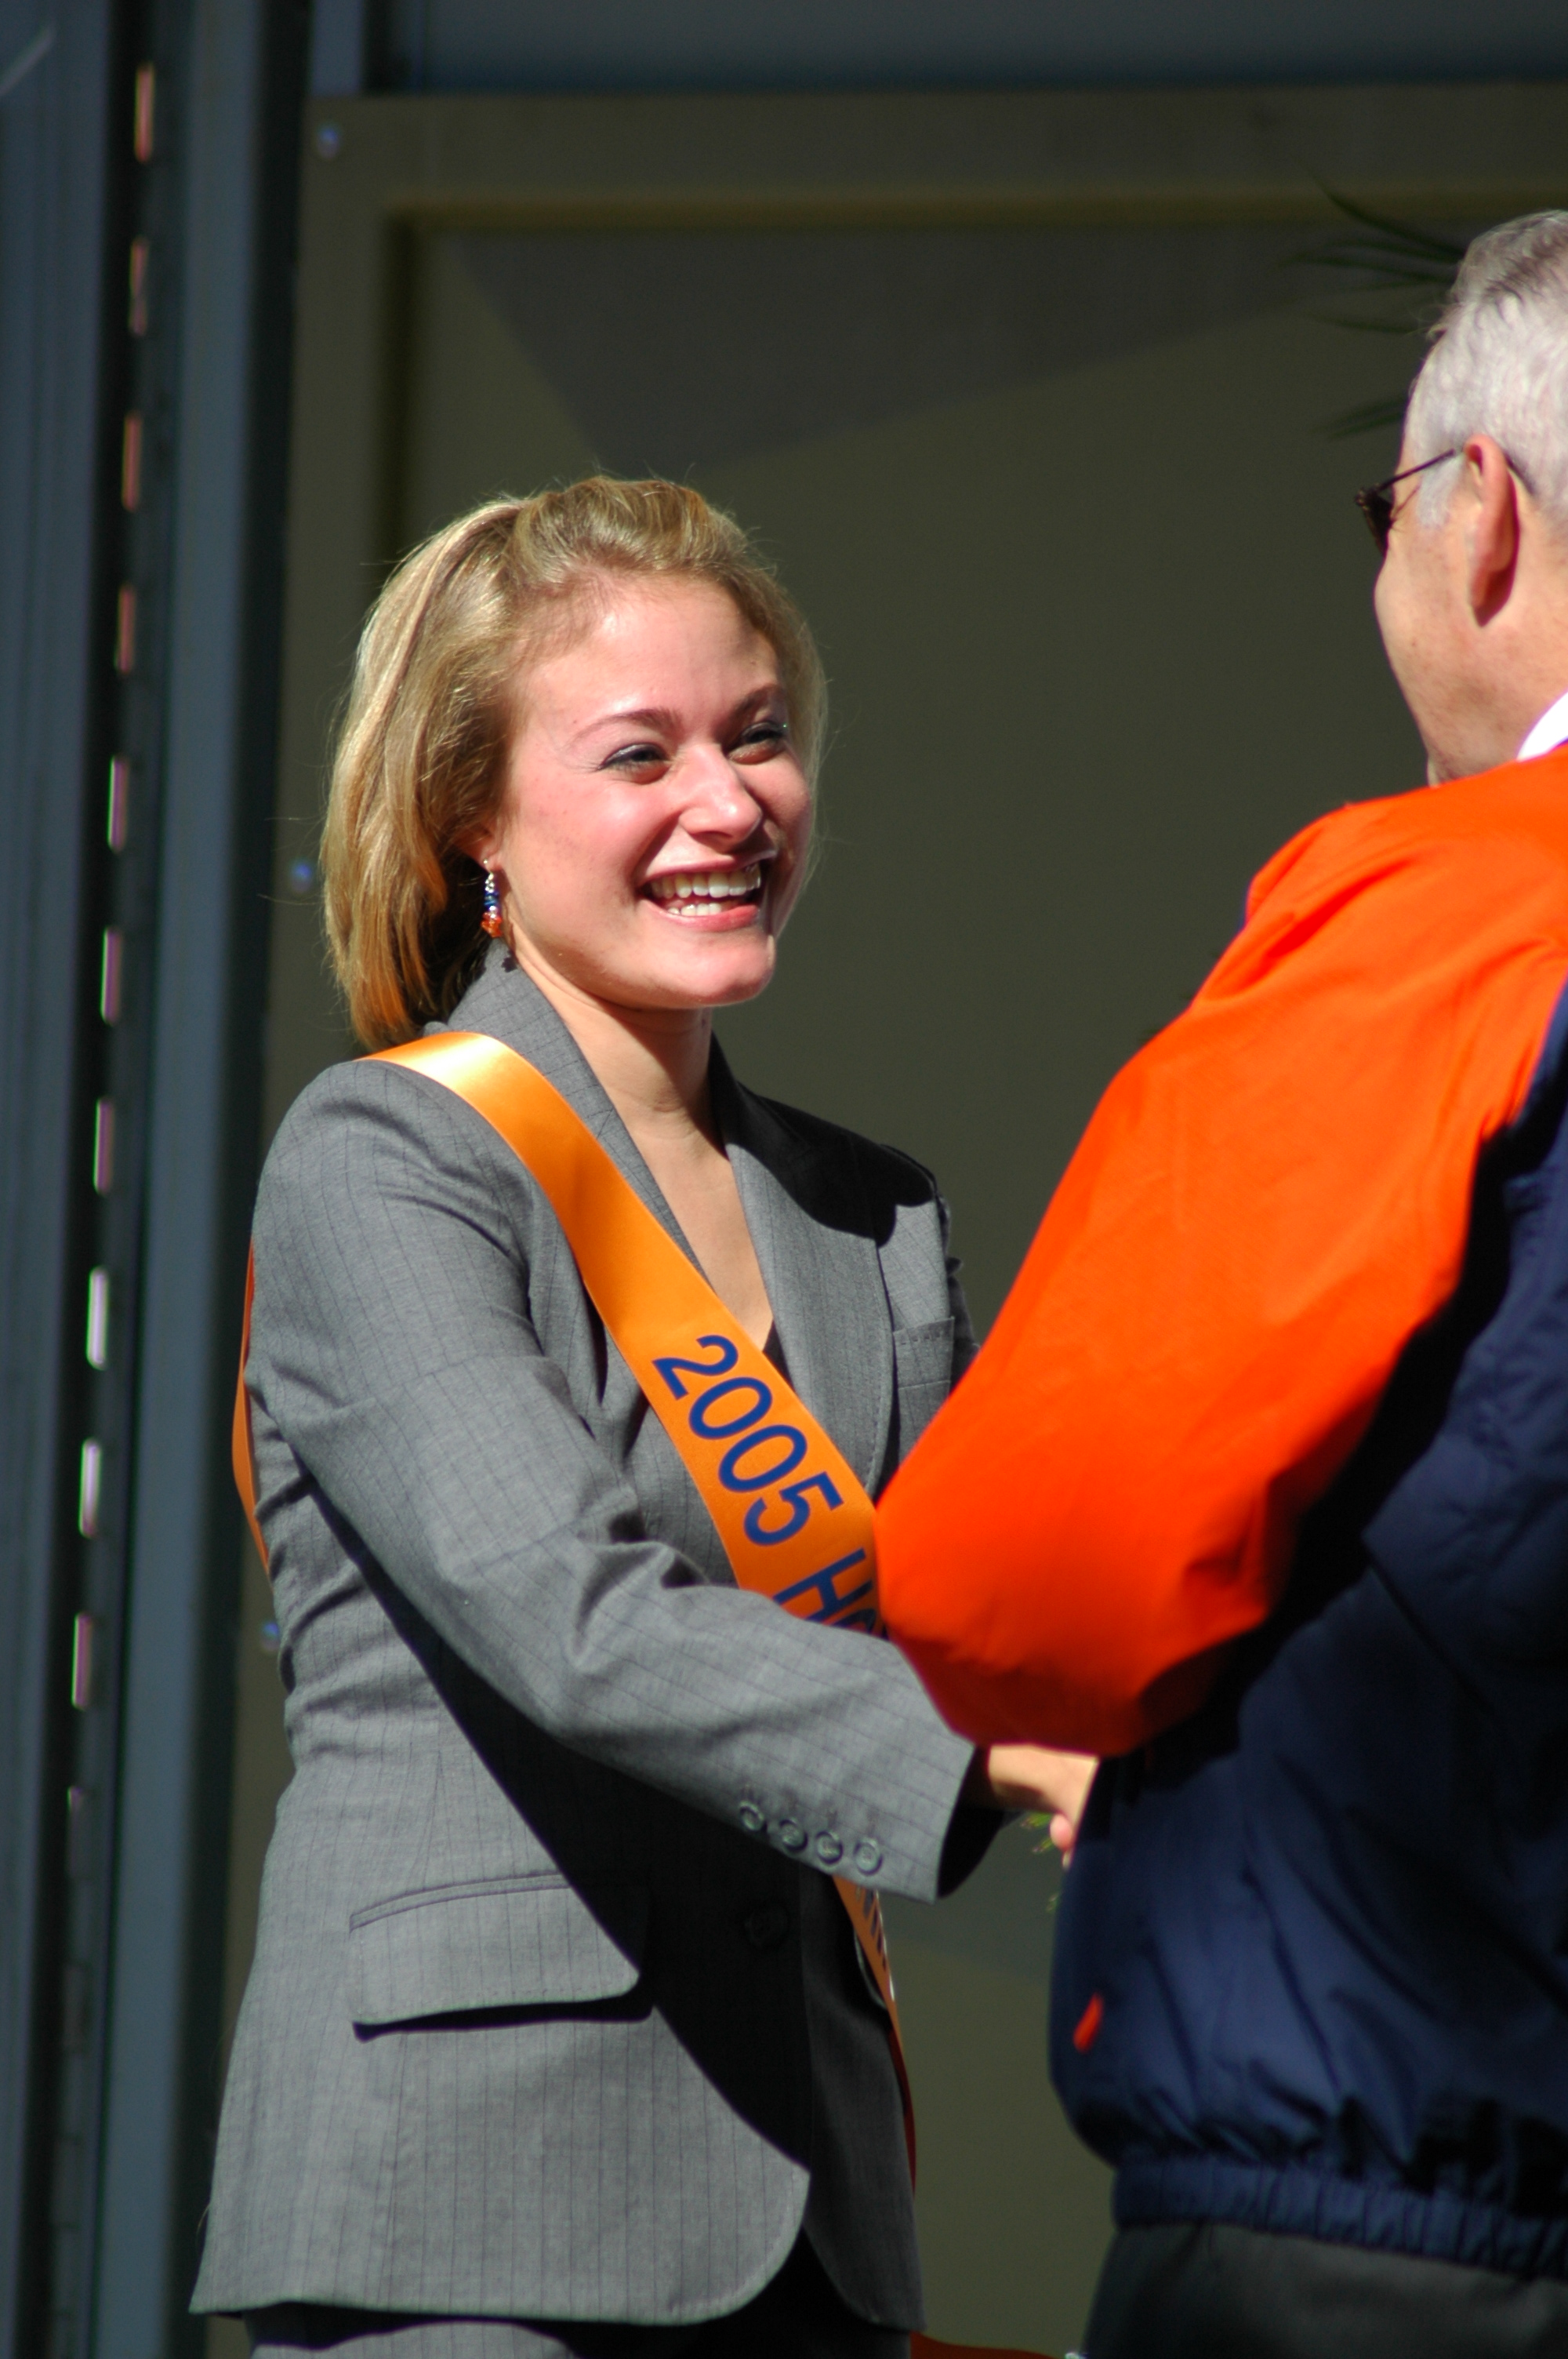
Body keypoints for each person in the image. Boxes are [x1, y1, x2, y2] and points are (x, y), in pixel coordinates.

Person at [191, 478, 1081, 2359]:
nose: (728, 804)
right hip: (465, 2215)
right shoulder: (384, 1159)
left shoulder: (872, 1212)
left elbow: (990, 1606)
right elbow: (567, 1613)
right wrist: (1002, 1758)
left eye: (757, 736)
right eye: (638, 753)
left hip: (813, 2220)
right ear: (473, 820)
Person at [877, 213, 1568, 2357]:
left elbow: (1026, 1573)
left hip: (1394, 2203)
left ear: (1482, 518)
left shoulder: (1451, 922)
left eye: (1389, 510)